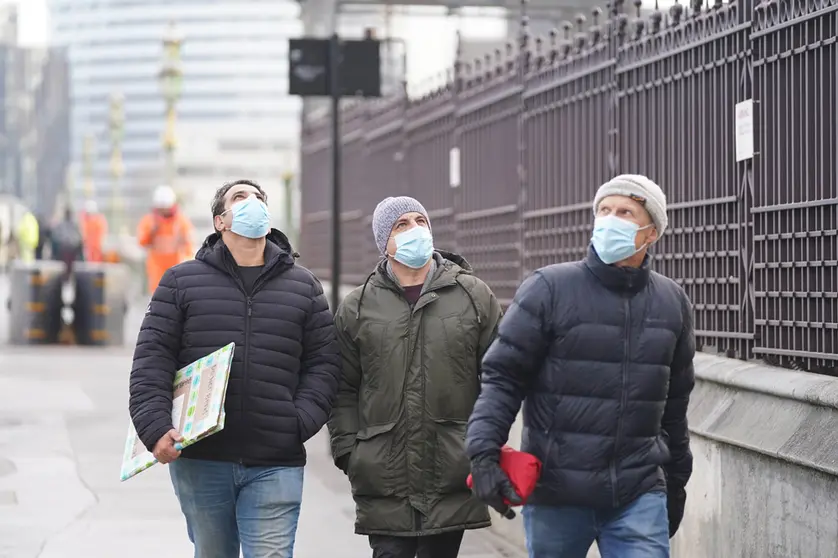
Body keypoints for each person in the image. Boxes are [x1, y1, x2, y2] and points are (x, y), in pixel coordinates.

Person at [466, 175, 696, 558]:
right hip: (557, 493)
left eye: (625, 212)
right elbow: (503, 379)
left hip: (637, 493)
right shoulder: (549, 289)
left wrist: (675, 485)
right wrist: (483, 454)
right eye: (604, 210)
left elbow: (675, 406)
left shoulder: (672, 303)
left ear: (651, 233)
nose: (610, 219)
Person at [129, 179, 341, 558]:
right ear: (220, 221)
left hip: (275, 461)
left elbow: (324, 364)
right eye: (239, 198)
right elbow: (152, 359)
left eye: (258, 197)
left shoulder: (303, 287)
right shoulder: (181, 283)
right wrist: (155, 427)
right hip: (202, 460)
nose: (252, 203)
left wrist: (297, 423)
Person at [328, 196, 503, 558]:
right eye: (401, 225)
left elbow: (497, 378)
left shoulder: (472, 295)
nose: (415, 231)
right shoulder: (357, 307)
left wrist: (485, 443)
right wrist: (349, 452)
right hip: (384, 475)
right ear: (384, 243)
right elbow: (342, 388)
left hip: (452, 469)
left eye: (419, 221)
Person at [136, 184, 194, 293]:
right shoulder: (149, 221)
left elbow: (189, 244)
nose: (163, 212)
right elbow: (142, 242)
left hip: (177, 267)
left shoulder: (181, 221)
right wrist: (151, 232)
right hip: (156, 268)